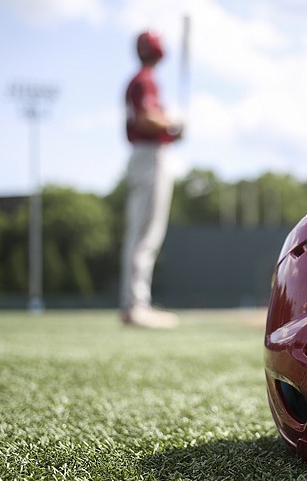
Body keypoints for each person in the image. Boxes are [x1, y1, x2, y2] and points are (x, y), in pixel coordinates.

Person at [120, 31, 183, 329]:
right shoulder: (145, 79)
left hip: (144, 155)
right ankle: (136, 305)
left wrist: (172, 128)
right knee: (145, 235)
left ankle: (133, 303)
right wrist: (175, 121)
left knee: (140, 234)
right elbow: (147, 118)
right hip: (150, 156)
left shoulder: (141, 79)